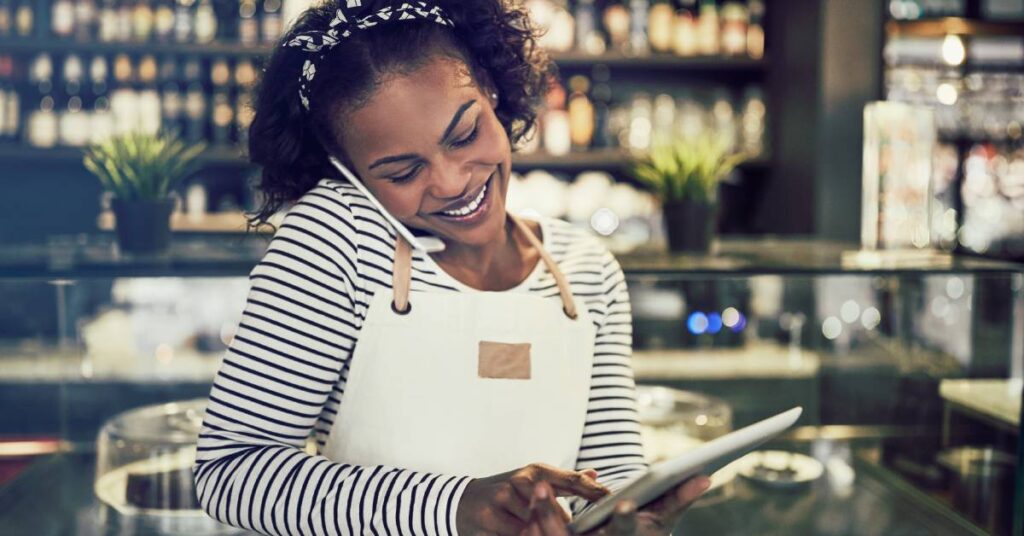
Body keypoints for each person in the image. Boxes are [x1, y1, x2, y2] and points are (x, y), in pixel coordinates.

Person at [193, 1, 708, 534]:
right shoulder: (336, 238)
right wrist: (456, 506)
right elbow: (231, 471)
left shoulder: (587, 271)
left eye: (464, 135)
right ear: (347, 172)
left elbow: (607, 477)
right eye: (403, 170)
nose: (451, 182)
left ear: (491, 89)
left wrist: (627, 516)